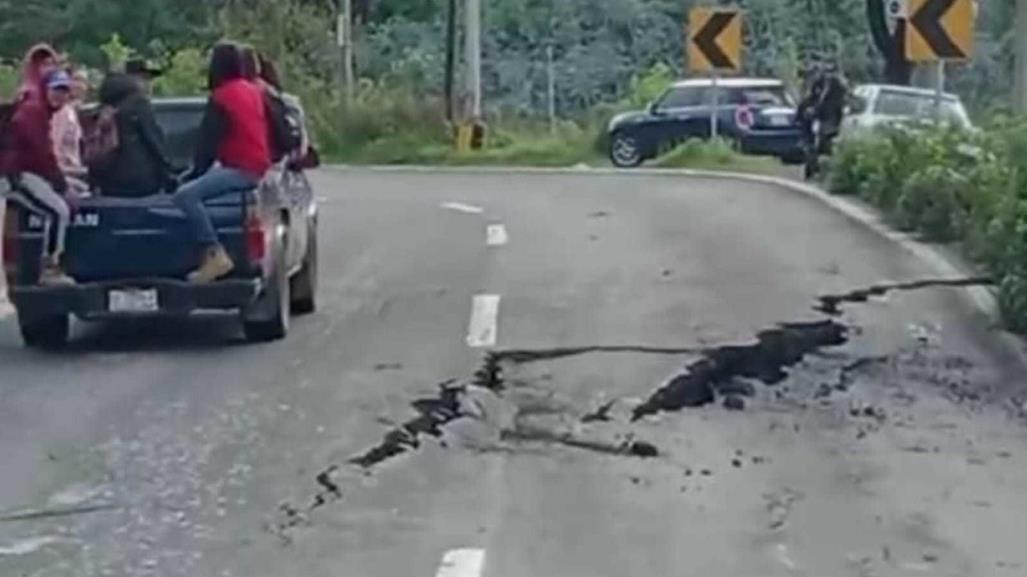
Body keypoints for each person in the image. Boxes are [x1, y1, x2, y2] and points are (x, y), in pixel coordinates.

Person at [173, 42, 272, 283]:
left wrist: (192, 175)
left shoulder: (222, 97)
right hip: (256, 164)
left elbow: (208, 143)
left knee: (185, 196)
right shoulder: (252, 91)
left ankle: (215, 253)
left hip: (240, 168)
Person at [0, 70, 77, 286]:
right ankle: (49, 269)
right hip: (16, 175)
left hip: (25, 173)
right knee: (58, 210)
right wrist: (61, 186)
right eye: (55, 89)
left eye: (64, 91)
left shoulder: (39, 111)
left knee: (56, 207)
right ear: (45, 89)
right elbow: (41, 154)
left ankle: (49, 263)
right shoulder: (33, 112)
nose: (59, 96)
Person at [89, 69, 175, 196]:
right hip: (140, 179)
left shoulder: (101, 112)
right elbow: (153, 140)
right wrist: (167, 173)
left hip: (109, 182)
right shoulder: (138, 104)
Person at [51, 67, 89, 194]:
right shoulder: (61, 112)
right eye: (77, 80)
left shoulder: (71, 111)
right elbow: (53, 148)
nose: (81, 85)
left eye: (84, 81)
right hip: (64, 175)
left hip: (72, 171)